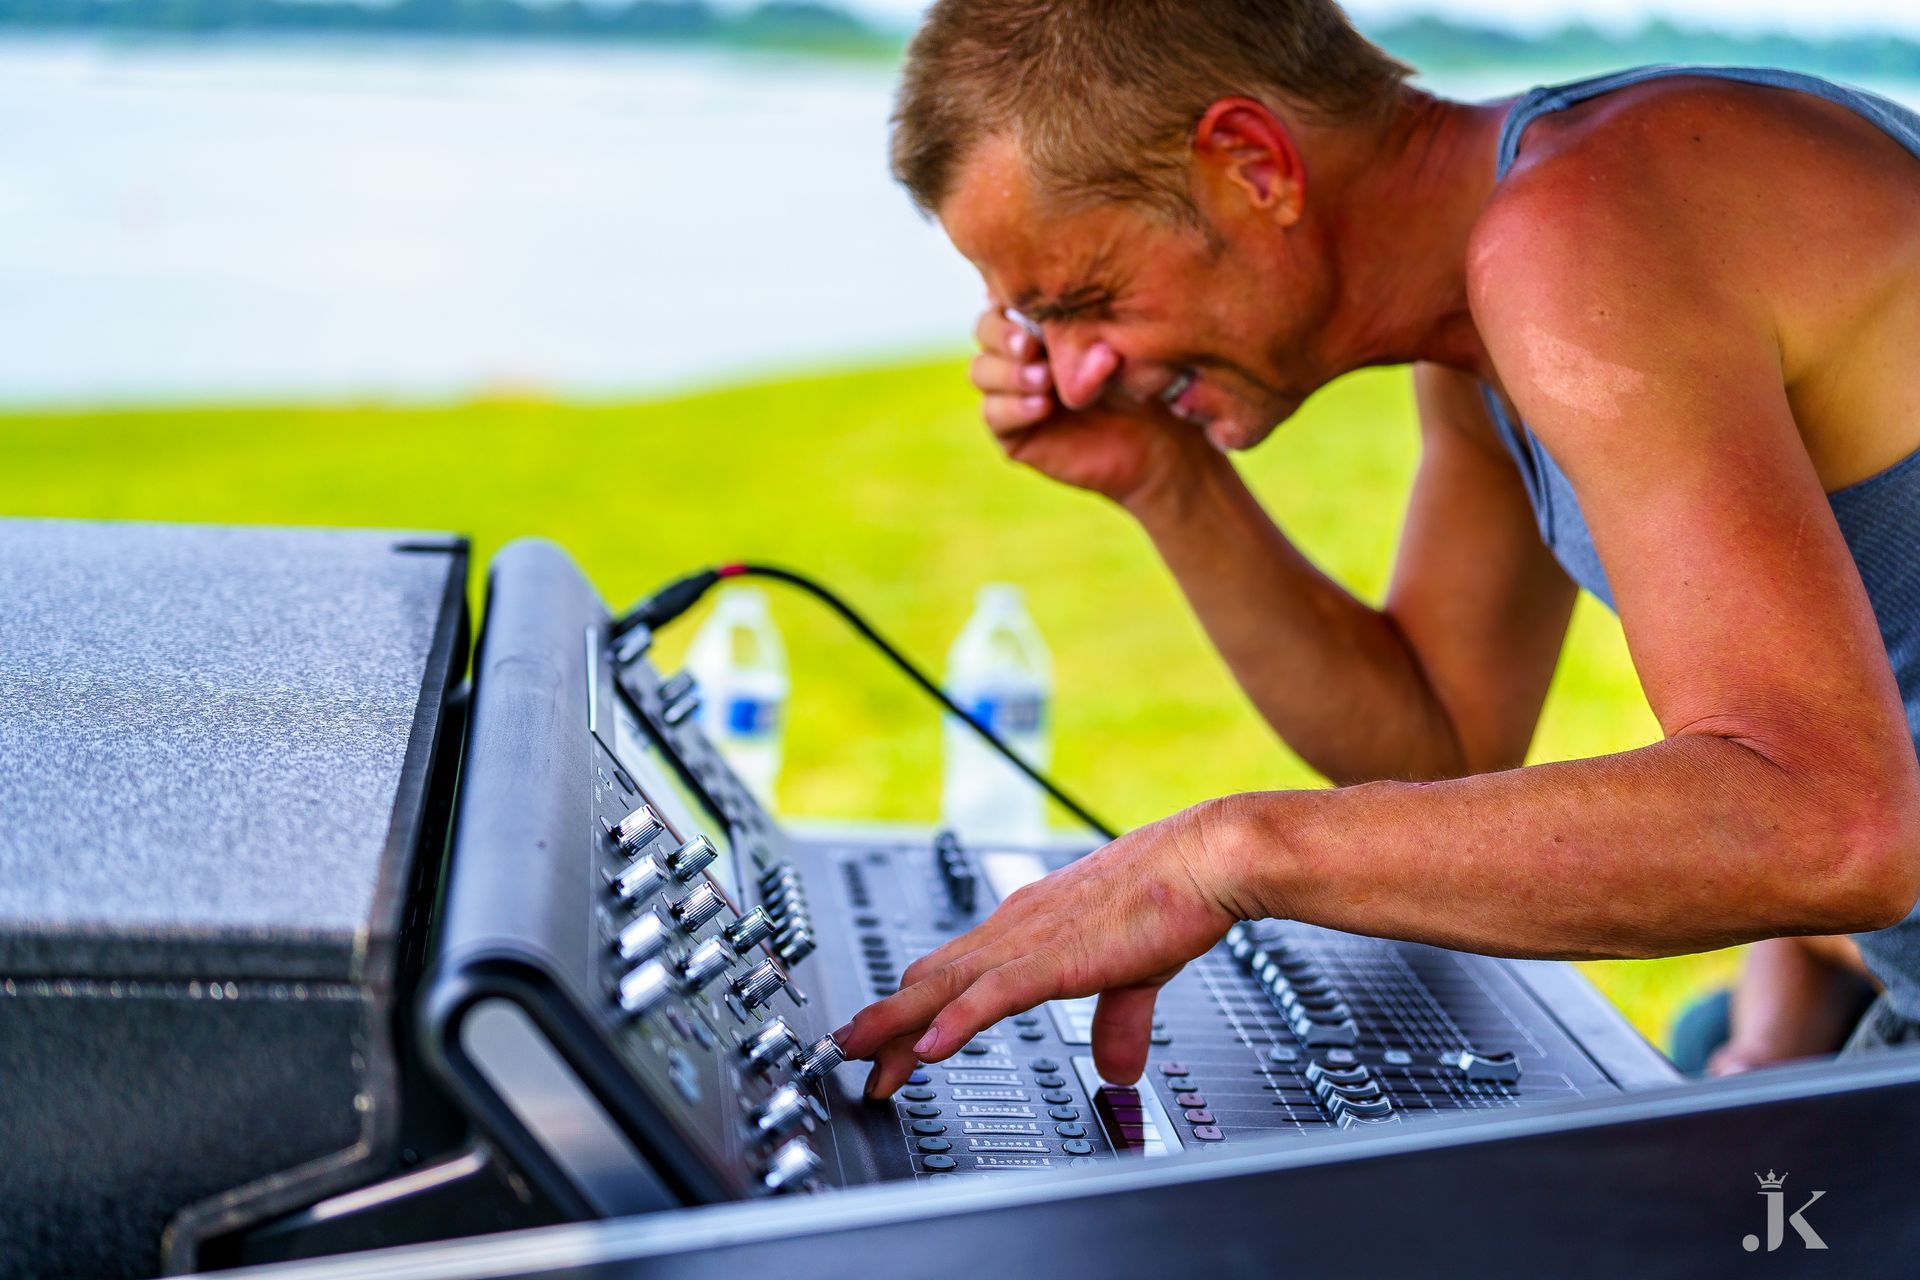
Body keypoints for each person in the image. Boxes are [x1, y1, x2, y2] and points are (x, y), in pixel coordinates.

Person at [834, 0, 1920, 1099]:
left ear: (1254, 165)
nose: (1070, 373)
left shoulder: (1580, 231)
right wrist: (1166, 478)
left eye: (1086, 301)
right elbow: (1440, 742)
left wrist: (1225, 853)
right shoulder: (1484, 314)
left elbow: (1830, 827)